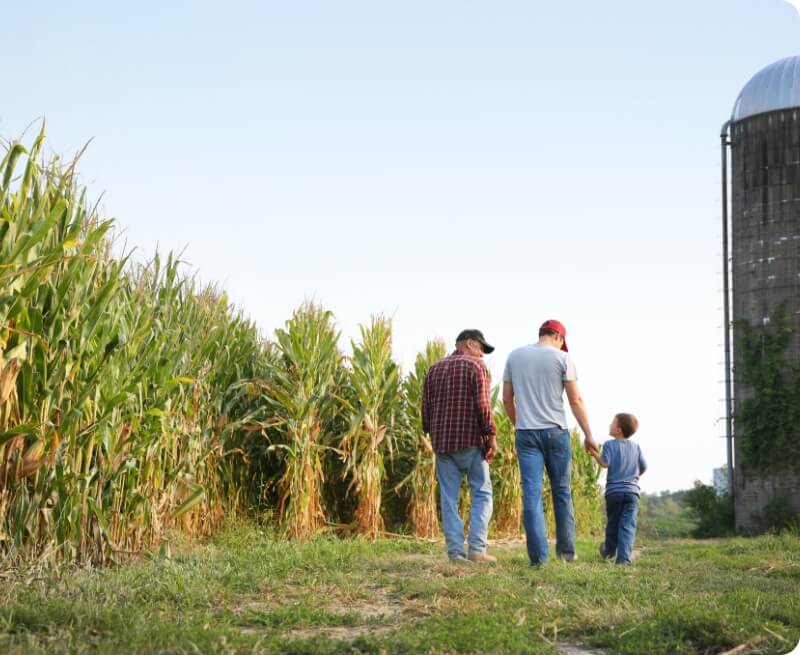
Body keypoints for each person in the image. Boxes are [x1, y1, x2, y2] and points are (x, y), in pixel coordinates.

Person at [502, 319, 598, 565]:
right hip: (556, 432)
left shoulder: (515, 356)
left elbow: (506, 399)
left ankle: (539, 559)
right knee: (562, 492)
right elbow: (575, 400)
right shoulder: (563, 358)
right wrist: (588, 434)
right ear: (559, 337)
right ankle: (566, 555)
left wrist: (520, 424)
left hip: (527, 434)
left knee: (531, 494)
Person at [422, 329, 498, 563]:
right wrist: (491, 436)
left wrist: (431, 432)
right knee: (482, 494)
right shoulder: (476, 367)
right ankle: (476, 550)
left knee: (448, 498)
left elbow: (426, 409)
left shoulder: (434, 369)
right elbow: (483, 406)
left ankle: (455, 553)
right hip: (470, 441)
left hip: (443, 444)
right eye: (481, 350)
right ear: (470, 343)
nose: (482, 356)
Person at [592, 413, 646, 565]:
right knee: (627, 525)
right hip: (632, 493)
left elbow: (604, 463)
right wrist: (633, 479)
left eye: (612, 423)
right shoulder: (636, 447)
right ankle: (623, 559)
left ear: (619, 430)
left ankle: (609, 552)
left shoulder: (609, 444)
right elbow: (643, 467)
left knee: (613, 523)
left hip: (614, 492)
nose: (609, 425)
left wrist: (593, 452)